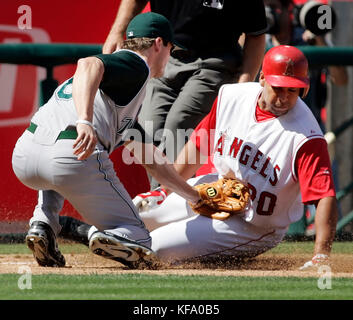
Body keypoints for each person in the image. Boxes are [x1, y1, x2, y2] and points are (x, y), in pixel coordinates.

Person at [61, 45, 339, 270]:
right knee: (137, 212)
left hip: (253, 225)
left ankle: (86, 234)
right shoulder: (233, 97)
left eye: (293, 90)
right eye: (278, 87)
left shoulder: (305, 136)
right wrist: (167, 188)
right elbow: (200, 144)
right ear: (262, 79)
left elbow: (324, 196)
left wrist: (321, 256)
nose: (284, 97)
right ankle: (69, 228)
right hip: (213, 189)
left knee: (153, 248)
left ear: (305, 87)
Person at [11, 12, 201, 269]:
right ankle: (100, 234)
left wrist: (196, 197)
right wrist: (85, 120)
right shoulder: (135, 64)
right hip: (68, 157)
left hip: (25, 155)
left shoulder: (122, 93)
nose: (170, 56)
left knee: (60, 161)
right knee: (140, 238)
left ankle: (44, 223)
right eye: (170, 48)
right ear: (158, 44)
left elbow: (153, 161)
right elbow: (88, 64)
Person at [103, 0, 268, 188]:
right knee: (149, 129)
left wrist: (242, 85)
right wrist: (116, 31)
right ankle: (165, 203)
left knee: (178, 127)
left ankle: (164, 205)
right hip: (167, 55)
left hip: (217, 62)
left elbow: (256, 35)